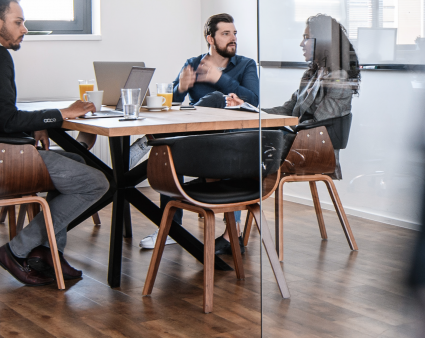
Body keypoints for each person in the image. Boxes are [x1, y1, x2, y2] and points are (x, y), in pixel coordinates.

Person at [0, 0, 109, 285]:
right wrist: (61, 114)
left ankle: (48, 252)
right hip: (4, 159)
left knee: (73, 160)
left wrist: (35, 125)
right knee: (96, 182)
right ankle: (17, 250)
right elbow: (5, 119)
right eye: (18, 22)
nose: (24, 29)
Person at [138, 13, 260, 254]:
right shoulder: (193, 64)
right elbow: (170, 102)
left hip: (230, 141)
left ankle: (231, 231)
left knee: (216, 105)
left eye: (234, 33)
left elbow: (254, 100)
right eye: (226, 34)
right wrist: (181, 87)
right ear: (210, 38)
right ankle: (172, 230)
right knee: (168, 152)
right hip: (197, 141)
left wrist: (220, 79)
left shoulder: (246, 65)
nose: (233, 39)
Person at [230, 13, 360, 179]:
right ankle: (229, 191)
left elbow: (319, 125)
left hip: (314, 146)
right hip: (298, 137)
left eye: (306, 38)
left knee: (245, 142)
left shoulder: (340, 78)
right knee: (239, 137)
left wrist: (279, 128)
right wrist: (251, 110)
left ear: (323, 41)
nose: (301, 44)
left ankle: (234, 195)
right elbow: (288, 109)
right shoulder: (311, 74)